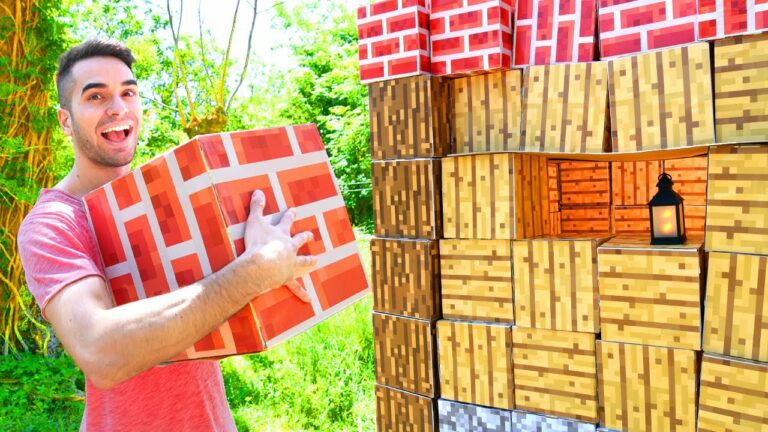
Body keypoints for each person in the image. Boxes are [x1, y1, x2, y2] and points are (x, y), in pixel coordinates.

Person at [17, 39, 317, 430]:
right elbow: (100, 351)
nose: (118, 107)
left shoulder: (164, 196)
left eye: (128, 92)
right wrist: (253, 273)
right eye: (96, 96)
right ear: (65, 121)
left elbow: (212, 305)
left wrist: (269, 262)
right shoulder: (52, 223)